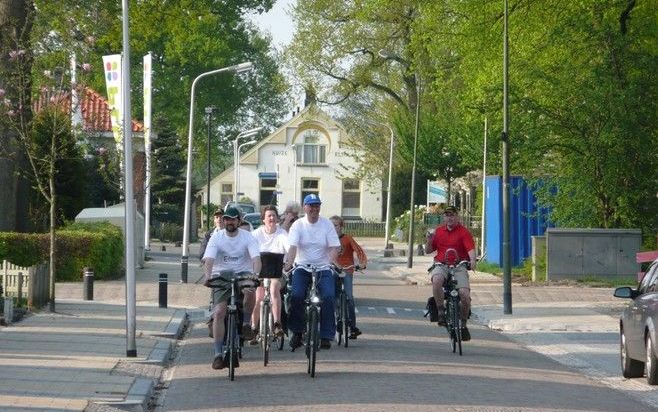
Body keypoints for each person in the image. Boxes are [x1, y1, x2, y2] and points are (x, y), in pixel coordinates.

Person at [202, 207, 261, 369]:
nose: (229, 222)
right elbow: (209, 259)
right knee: (220, 312)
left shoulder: (248, 237)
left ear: (239, 221)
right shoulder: (217, 237)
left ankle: (246, 324)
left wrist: (255, 273)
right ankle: (218, 354)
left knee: (250, 290)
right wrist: (208, 276)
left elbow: (256, 258)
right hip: (221, 275)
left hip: (243, 274)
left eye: (233, 219)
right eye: (227, 219)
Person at [283, 194, 341, 350]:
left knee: (329, 296)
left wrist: (330, 262)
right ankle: (297, 332)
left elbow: (335, 246)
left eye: (317, 205)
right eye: (311, 206)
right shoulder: (298, 225)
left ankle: (326, 336)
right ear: (305, 207)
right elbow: (293, 247)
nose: (314, 209)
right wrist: (289, 264)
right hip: (302, 266)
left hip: (322, 267)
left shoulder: (326, 224)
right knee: (297, 295)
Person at [424, 205, 477, 341]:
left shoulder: (463, 232)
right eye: (447, 215)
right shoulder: (438, 231)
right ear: (444, 217)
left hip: (459, 266)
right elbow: (428, 251)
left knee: (464, 295)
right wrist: (429, 240)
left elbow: (471, 250)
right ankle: (441, 311)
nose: (449, 218)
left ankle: (463, 325)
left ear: (457, 217)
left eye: (452, 215)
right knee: (436, 281)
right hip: (442, 264)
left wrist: (472, 261)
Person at [251, 205, 289, 339]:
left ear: (277, 218)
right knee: (258, 298)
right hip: (260, 272)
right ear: (263, 219)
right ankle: (254, 328)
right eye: (269, 216)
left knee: (273, 289)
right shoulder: (256, 234)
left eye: (274, 215)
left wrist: (289, 263)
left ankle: (277, 323)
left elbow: (289, 249)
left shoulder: (282, 233)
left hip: (277, 272)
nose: (272, 218)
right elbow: (248, 250)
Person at [330, 215, 368, 339]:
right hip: (333, 270)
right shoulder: (327, 239)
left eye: (336, 225)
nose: (333, 228)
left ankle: (352, 326)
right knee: (332, 297)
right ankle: (336, 321)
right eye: (331, 225)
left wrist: (362, 263)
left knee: (349, 297)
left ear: (341, 227)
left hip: (347, 269)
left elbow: (359, 251)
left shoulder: (347, 239)